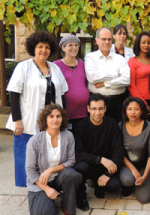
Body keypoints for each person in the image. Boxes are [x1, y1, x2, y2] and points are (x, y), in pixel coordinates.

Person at [6, 31, 68, 187]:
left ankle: (46, 184)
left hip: (50, 122)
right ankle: (29, 187)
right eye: (40, 46)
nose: (44, 50)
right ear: (33, 48)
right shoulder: (23, 67)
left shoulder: (55, 68)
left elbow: (62, 95)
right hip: (28, 120)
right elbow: (13, 94)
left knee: (47, 156)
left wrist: (63, 120)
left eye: (47, 47)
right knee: (27, 156)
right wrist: (17, 120)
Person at [26, 104, 82, 215]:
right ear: (45, 120)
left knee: (73, 175)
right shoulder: (35, 140)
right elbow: (30, 171)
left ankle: (67, 207)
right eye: (51, 116)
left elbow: (71, 161)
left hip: (59, 177)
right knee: (45, 212)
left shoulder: (68, 136)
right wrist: (47, 189)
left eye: (58, 116)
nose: (55, 120)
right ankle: (48, 201)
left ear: (63, 118)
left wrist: (50, 170)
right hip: (40, 183)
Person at [74, 93, 125, 210]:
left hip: (105, 168)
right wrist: (101, 159)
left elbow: (119, 152)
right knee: (80, 167)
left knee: (114, 185)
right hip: (89, 165)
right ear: (88, 109)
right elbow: (78, 153)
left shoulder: (112, 124)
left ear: (105, 108)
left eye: (101, 108)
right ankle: (81, 196)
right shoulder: (80, 127)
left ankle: (98, 185)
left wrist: (107, 174)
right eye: (94, 109)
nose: (97, 113)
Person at [85, 27, 130, 122]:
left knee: (117, 131)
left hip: (118, 102)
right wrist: (115, 75)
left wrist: (106, 84)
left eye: (109, 39)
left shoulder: (120, 59)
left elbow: (126, 80)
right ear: (97, 40)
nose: (107, 42)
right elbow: (93, 78)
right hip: (97, 104)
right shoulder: (90, 57)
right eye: (103, 39)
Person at [118, 97, 150, 204]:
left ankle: (149, 179)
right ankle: (132, 182)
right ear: (125, 111)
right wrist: (133, 169)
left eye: (136, 109)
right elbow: (119, 152)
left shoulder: (149, 128)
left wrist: (144, 177)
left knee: (144, 199)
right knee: (127, 180)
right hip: (128, 165)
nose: (133, 112)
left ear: (142, 111)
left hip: (146, 166)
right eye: (130, 109)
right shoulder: (120, 126)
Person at [53, 35, 89, 131]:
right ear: (63, 48)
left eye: (76, 45)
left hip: (84, 112)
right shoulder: (56, 65)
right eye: (70, 45)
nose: (74, 48)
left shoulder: (82, 64)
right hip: (67, 112)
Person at [128, 32, 150, 116]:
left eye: (149, 43)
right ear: (138, 44)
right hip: (137, 102)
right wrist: (144, 104)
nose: (146, 45)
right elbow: (131, 85)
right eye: (143, 42)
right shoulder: (132, 61)